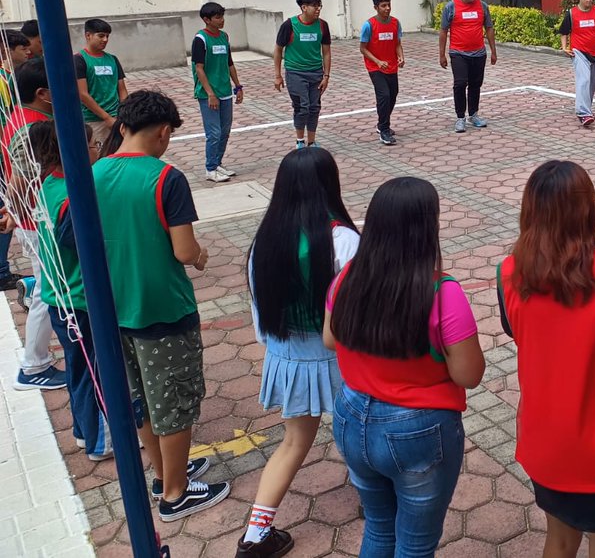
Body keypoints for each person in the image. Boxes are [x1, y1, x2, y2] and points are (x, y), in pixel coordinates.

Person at [498, 161, 595, 558]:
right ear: (589, 207)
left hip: (545, 439)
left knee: (561, 539)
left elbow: (515, 330)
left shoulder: (509, 272)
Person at [326, 177, 484, 558]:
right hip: (418, 430)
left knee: (379, 529)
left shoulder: (348, 277)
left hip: (350, 415)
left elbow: (330, 339)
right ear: (427, 228)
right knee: (415, 545)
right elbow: (469, 375)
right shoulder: (443, 293)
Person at [91, 90, 228, 520]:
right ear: (164, 132)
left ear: (123, 126)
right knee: (174, 399)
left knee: (143, 400)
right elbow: (185, 250)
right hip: (163, 308)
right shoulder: (166, 178)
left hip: (114, 306)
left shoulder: (93, 173)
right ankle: (175, 493)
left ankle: (163, 472)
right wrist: (202, 255)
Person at [237, 149, 360, 557]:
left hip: (287, 356)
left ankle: (255, 536)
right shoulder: (343, 240)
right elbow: (357, 311)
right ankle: (374, 501)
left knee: (292, 443)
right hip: (341, 359)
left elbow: (260, 315)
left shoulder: (265, 239)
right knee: (356, 434)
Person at [28, 121, 111, 460]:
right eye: (92, 145)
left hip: (58, 297)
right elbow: (80, 245)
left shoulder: (49, 184)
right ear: (75, 152)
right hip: (79, 299)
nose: (97, 150)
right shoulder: (72, 198)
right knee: (95, 370)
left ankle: (82, 430)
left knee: (79, 367)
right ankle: (99, 441)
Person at [2, 58, 66, 390]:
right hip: (37, 221)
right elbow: (20, 177)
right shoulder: (31, 127)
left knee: (47, 285)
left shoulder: (24, 117)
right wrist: (14, 212)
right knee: (48, 289)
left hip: (32, 218)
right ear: (43, 93)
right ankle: (34, 366)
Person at [192, 2, 243, 182]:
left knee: (225, 130)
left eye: (222, 16)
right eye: (217, 17)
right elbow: (199, 68)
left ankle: (218, 163)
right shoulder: (201, 39)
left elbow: (229, 63)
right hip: (208, 94)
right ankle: (210, 168)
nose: (222, 20)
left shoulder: (224, 37)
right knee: (213, 133)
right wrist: (210, 94)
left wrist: (237, 86)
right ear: (206, 20)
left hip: (225, 91)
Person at [273, 0, 332, 150]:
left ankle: (311, 142)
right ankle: (300, 141)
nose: (318, 9)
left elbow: (326, 52)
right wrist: (278, 75)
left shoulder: (322, 25)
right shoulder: (290, 25)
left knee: (314, 107)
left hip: (316, 73)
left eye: (319, 5)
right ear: (303, 7)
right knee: (302, 106)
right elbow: (278, 50)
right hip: (295, 73)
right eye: (314, 6)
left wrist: (326, 76)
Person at [439, 0, 497, 133]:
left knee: (475, 84)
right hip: (458, 53)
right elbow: (443, 31)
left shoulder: (482, 6)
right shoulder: (451, 7)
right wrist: (442, 55)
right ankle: (460, 117)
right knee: (460, 83)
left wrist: (493, 51)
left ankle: (473, 114)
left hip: (478, 53)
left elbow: (489, 28)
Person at [0, 28, 32, 291]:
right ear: (7, 50)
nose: (28, 52)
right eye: (22, 48)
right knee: (8, 206)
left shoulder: (9, 77)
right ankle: (1, 270)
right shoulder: (5, 80)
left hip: (7, 151)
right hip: (6, 154)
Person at [558, 0, 595, 127]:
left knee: (592, 84)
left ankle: (586, 108)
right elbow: (563, 32)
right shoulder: (571, 13)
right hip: (579, 52)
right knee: (584, 81)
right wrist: (564, 47)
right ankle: (583, 113)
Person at [359, 0, 405, 146]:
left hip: (391, 66)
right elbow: (363, 48)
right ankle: (384, 129)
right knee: (384, 95)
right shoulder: (369, 25)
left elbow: (397, 43)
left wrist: (401, 57)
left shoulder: (395, 23)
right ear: (376, 7)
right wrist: (377, 62)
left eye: (389, 5)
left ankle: (382, 123)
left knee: (393, 94)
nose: (387, 8)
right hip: (375, 67)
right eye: (383, 6)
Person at [75, 18, 128, 142]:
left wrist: (123, 114)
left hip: (117, 118)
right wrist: (106, 118)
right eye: (101, 36)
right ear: (88, 35)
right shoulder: (79, 60)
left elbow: (122, 90)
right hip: (93, 120)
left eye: (107, 36)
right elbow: (83, 94)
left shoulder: (113, 59)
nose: (105, 40)